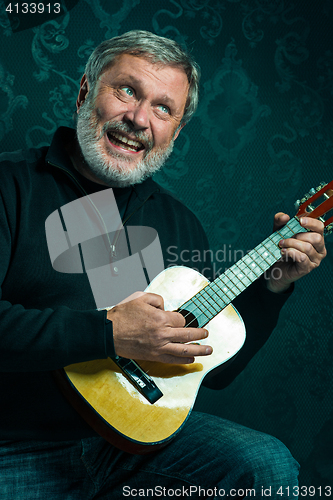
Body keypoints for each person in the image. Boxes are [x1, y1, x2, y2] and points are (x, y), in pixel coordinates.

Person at [0, 30, 326, 498]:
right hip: (13, 445)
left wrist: (274, 284)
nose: (138, 119)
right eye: (127, 90)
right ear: (85, 91)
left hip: (133, 450)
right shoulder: (9, 186)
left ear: (175, 130)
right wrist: (109, 333)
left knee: (264, 464)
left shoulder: (181, 225)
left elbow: (213, 371)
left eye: (163, 108)